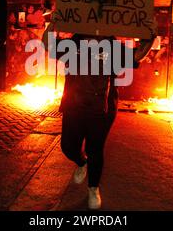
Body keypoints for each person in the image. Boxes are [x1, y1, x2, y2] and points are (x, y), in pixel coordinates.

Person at [42, 18, 153, 210]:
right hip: (73, 104)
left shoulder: (112, 46)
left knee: (95, 149)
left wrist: (150, 36)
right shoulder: (73, 43)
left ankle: (93, 188)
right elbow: (48, 45)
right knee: (68, 146)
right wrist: (52, 24)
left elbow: (137, 55)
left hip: (102, 108)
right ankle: (81, 161)